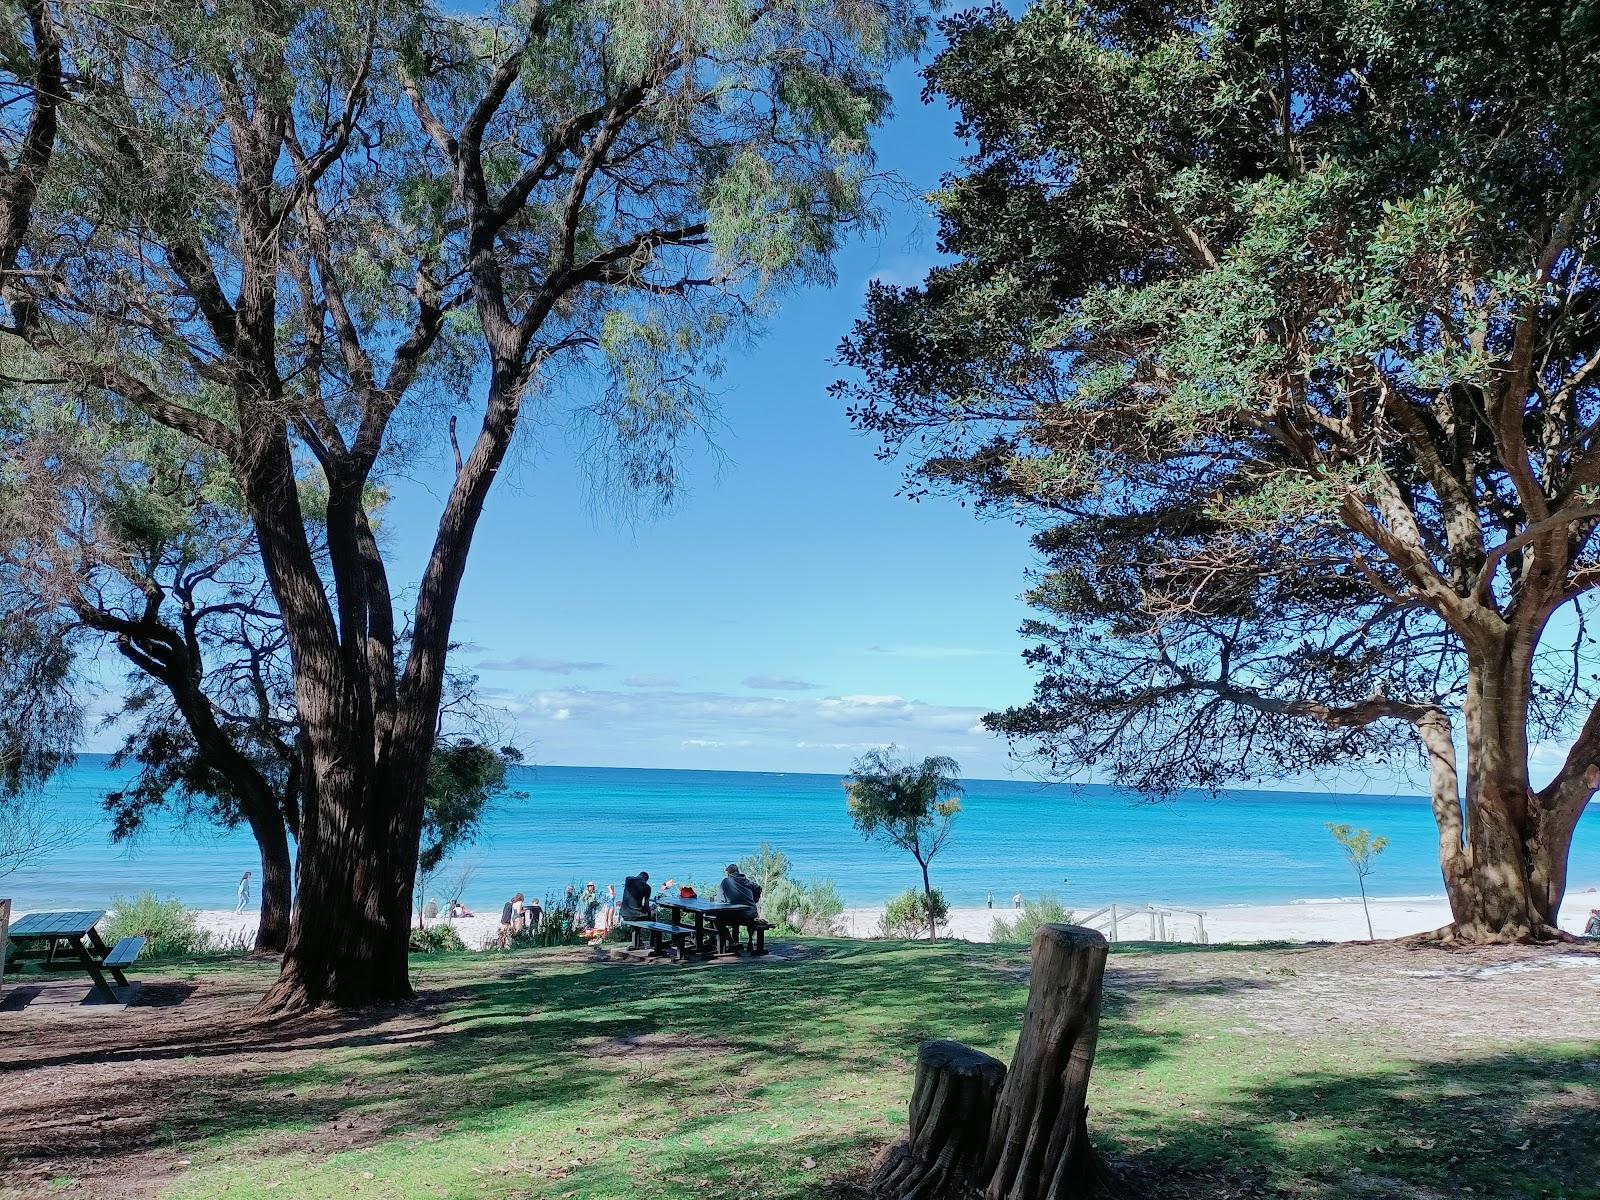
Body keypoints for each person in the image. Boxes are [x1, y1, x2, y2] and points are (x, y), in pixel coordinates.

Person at [718, 863, 762, 950]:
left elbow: (720, 900)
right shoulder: (747, 881)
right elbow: (759, 888)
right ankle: (750, 940)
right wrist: (755, 899)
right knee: (746, 918)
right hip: (751, 914)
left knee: (718, 921)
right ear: (738, 871)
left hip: (736, 915)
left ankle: (732, 942)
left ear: (728, 873)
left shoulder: (726, 881)